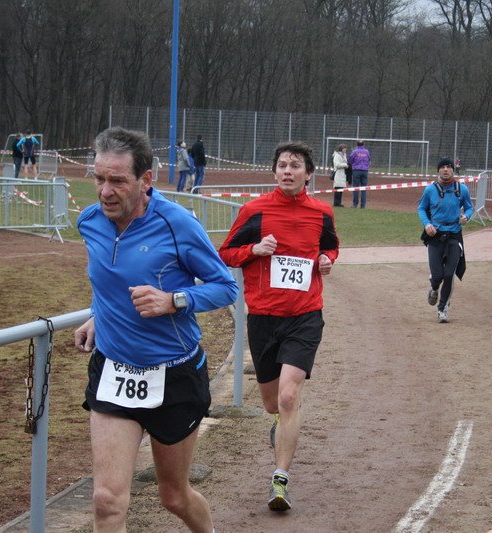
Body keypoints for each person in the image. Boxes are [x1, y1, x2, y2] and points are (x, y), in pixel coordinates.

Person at [73, 126, 237, 533]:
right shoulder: (90, 222)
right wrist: (98, 314)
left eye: (117, 180)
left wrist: (173, 300)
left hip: (174, 376)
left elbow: (225, 287)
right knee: (106, 500)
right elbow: (108, 279)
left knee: (174, 496)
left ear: (146, 179)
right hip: (114, 371)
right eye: (99, 178)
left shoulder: (177, 224)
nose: (105, 191)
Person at [218, 142, 339, 512]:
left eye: (296, 166)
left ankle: (280, 479)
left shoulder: (321, 212)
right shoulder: (254, 210)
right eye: (283, 165)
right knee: (273, 402)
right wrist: (254, 250)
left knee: (288, 396)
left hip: (305, 315)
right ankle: (282, 421)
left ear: (308, 174)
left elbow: (331, 247)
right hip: (263, 318)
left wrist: (326, 259)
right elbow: (225, 253)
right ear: (274, 172)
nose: (288, 171)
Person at [417, 157, 474, 323]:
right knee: (438, 275)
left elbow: (469, 207)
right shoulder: (430, 190)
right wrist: (427, 224)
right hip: (435, 236)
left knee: (449, 274)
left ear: (453, 171)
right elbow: (421, 208)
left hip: (454, 235)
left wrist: (466, 216)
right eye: (442, 167)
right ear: (438, 171)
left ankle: (442, 309)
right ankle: (434, 287)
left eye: (448, 167)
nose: (445, 170)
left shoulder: (462, 189)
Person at [348, 140, 370, 208]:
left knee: (356, 187)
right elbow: (369, 159)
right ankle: (363, 205)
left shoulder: (354, 151)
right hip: (365, 171)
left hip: (356, 170)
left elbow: (350, 160)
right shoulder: (367, 151)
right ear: (363, 144)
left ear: (357, 144)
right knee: (364, 188)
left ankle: (355, 204)